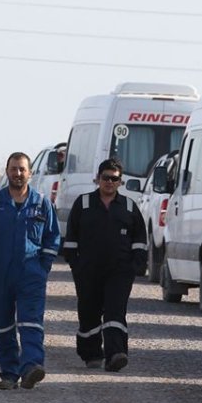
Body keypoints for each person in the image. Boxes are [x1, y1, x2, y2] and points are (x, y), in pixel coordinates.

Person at [0, 152, 60, 390]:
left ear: (30, 173)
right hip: (0, 273)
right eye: (13, 169)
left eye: (22, 169)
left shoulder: (42, 203)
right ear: (7, 172)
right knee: (3, 324)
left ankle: (31, 367)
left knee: (31, 321)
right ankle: (9, 373)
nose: (18, 173)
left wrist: (44, 266)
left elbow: (52, 237)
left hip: (31, 272)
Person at [62, 158, 147, 373]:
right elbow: (71, 238)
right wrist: (76, 265)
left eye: (114, 179)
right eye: (106, 178)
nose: (109, 182)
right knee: (89, 312)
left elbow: (140, 239)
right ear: (98, 179)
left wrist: (135, 265)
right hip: (88, 271)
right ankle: (91, 353)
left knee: (115, 312)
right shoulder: (83, 204)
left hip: (119, 272)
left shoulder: (129, 207)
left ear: (120, 182)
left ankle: (115, 354)